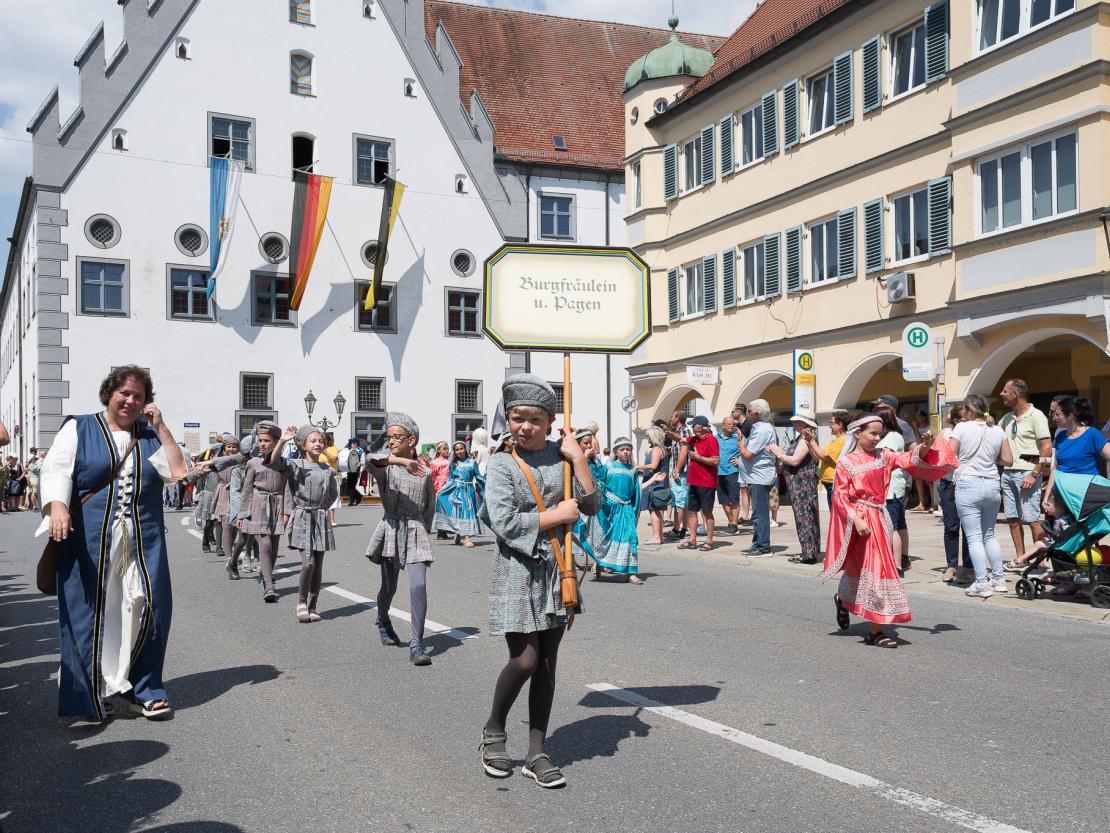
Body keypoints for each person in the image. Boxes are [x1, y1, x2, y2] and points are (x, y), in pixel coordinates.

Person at [38, 365, 188, 720]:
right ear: (109, 393)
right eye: (125, 393)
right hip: (88, 541)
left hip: (143, 541)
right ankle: (93, 689)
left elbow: (179, 471)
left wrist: (162, 426)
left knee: (149, 608)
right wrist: (57, 506)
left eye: (139, 395)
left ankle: (145, 689)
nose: (131, 400)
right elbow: (56, 469)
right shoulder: (81, 427)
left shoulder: (150, 436)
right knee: (92, 611)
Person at [479, 374, 599, 789]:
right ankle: (494, 729)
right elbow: (504, 521)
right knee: (525, 659)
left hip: (558, 570)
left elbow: (592, 505)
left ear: (550, 421)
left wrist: (579, 460)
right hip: (516, 568)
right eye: (517, 418)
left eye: (534, 419)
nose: (524, 427)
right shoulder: (500, 463)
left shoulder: (562, 455)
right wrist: (557, 516)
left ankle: (537, 752)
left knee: (547, 664)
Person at [824, 413, 949, 646]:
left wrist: (925, 447)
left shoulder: (884, 456)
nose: (876, 438)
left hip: (879, 520)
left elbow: (908, 459)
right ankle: (843, 599)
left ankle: (875, 630)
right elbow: (840, 497)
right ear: (857, 433)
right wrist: (856, 519)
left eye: (879, 434)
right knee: (858, 569)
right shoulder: (846, 463)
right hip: (859, 520)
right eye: (872, 433)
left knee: (880, 570)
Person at [364, 413, 437, 665]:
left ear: (412, 440)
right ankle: (383, 619)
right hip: (391, 527)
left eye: (397, 437)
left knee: (418, 585)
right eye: (389, 437)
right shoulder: (387, 469)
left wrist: (423, 530)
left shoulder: (426, 471)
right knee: (389, 587)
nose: (391, 441)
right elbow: (369, 459)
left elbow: (430, 505)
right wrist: (398, 461)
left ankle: (416, 643)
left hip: (415, 529)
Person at [269, 425, 339, 623]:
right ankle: (301, 602)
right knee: (308, 563)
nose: (318, 444)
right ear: (303, 445)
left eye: (321, 441)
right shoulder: (295, 464)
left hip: (320, 517)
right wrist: (282, 440)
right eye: (313, 441)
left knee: (318, 565)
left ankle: (313, 604)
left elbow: (333, 494)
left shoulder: (327, 470)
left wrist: (322, 509)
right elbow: (273, 462)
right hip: (302, 516)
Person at [949, 394, 1013, 598]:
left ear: (968, 410)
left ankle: (981, 582)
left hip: (969, 484)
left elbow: (949, 456)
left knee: (974, 537)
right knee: (989, 535)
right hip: (992, 484)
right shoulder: (998, 430)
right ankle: (999, 580)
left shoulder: (961, 428)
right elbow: (1008, 460)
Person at [235, 422, 293, 603]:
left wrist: (288, 510)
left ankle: (266, 573)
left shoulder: (285, 463)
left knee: (274, 545)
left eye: (267, 441)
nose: (262, 444)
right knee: (265, 545)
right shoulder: (252, 463)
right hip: (259, 505)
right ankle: (269, 586)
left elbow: (288, 488)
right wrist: (243, 513)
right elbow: (247, 489)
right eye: (260, 440)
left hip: (278, 505)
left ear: (276, 442)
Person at [997, 379, 1052, 568]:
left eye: (1005, 391)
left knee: (1032, 518)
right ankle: (1021, 558)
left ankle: (1041, 561)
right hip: (1008, 473)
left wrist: (1034, 474)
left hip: (1028, 473)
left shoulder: (1036, 415)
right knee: (1012, 518)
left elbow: (1046, 448)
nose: (1001, 394)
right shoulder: (1006, 418)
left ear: (1016, 394)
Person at [768, 409, 821, 564]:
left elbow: (795, 460)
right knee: (805, 517)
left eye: (797, 421)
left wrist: (778, 452)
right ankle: (810, 552)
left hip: (802, 484)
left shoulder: (806, 439)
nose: (794, 423)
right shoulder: (803, 438)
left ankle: (808, 554)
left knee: (805, 518)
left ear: (805, 423)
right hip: (799, 483)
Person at [593, 438, 644, 583]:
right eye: (623, 449)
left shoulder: (633, 471)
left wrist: (634, 510)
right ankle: (599, 562)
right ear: (616, 452)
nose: (626, 452)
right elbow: (599, 482)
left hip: (626, 510)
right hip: (610, 508)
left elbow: (636, 492)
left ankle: (631, 573)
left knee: (630, 539)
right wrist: (603, 501)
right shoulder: (608, 466)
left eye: (628, 449)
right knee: (607, 538)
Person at [1044, 395, 1110, 506]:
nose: (1054, 417)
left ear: (1070, 415)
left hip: (1085, 495)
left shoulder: (1092, 434)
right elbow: (1055, 469)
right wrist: (1047, 494)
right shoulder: (1060, 436)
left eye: (1058, 414)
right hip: (1063, 495)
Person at [668, 415, 719, 551]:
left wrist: (699, 457)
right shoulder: (694, 439)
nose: (692, 427)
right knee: (691, 511)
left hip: (707, 482)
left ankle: (709, 541)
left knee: (707, 512)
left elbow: (715, 461)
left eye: (694, 425)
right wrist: (667, 431)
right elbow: (680, 439)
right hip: (693, 481)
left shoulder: (712, 440)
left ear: (701, 427)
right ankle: (692, 540)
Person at [937, 404, 972, 583]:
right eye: (963, 419)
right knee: (951, 526)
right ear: (957, 420)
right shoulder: (945, 433)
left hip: (967, 482)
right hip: (948, 482)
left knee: (969, 526)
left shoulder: (973, 431)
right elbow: (936, 454)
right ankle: (951, 565)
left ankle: (968, 567)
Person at [875, 405, 911, 575]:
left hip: (891, 488)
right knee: (898, 524)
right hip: (887, 487)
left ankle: (896, 564)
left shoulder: (894, 436)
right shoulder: (886, 436)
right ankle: (901, 558)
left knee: (892, 527)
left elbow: (884, 456)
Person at [737, 399, 776, 557]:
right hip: (755, 477)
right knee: (756, 514)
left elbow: (748, 454)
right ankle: (757, 543)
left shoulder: (762, 430)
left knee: (760, 514)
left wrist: (740, 444)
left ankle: (763, 547)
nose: (748, 414)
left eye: (750, 411)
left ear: (757, 414)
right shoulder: (757, 428)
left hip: (760, 477)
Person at [434, 440, 483, 547]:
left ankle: (459, 534)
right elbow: (450, 479)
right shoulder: (453, 464)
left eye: (461, 449)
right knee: (461, 512)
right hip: (457, 491)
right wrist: (442, 490)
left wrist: (486, 486)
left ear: (465, 449)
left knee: (468, 513)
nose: (460, 451)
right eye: (457, 450)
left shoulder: (472, 462)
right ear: (454, 452)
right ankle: (466, 538)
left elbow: (478, 476)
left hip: (469, 491)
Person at [805, 411, 847, 510]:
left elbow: (824, 456)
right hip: (829, 483)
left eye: (831, 423)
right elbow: (817, 457)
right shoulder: (834, 441)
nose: (829, 426)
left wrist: (811, 441)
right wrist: (809, 443)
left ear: (840, 424)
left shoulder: (843, 440)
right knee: (833, 515)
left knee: (836, 515)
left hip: (835, 482)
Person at [638, 425, 670, 545]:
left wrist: (638, 466)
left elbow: (653, 466)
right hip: (660, 482)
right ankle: (659, 536)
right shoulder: (663, 448)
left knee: (654, 511)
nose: (646, 438)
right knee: (657, 511)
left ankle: (656, 537)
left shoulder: (657, 449)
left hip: (654, 484)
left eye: (647, 435)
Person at [716, 417, 742, 535]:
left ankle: (733, 525)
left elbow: (748, 451)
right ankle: (732, 523)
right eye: (729, 424)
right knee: (723, 500)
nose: (731, 426)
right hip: (718, 472)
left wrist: (739, 460)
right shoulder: (716, 438)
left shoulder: (737, 438)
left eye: (733, 424)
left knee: (734, 499)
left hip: (732, 472)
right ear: (723, 426)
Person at [732, 404, 753, 524]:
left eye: (733, 411)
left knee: (749, 489)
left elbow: (750, 444)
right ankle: (745, 516)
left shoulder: (748, 425)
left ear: (739, 412)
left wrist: (741, 458)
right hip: (740, 461)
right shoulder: (737, 426)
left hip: (747, 461)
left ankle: (749, 515)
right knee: (743, 490)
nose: (732, 413)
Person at [910, 409, 934, 512]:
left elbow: (920, 441)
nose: (916, 419)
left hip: (928, 455)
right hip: (918, 455)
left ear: (924, 417)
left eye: (918, 416)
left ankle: (933, 503)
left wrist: (915, 428)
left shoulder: (929, 428)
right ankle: (921, 503)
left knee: (930, 481)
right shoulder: (915, 429)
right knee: (918, 480)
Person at [339, 437, 365, 506]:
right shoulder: (349, 451)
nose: (352, 444)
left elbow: (363, 462)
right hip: (350, 470)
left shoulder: (360, 451)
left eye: (353, 443)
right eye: (351, 443)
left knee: (352, 485)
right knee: (349, 485)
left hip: (356, 470)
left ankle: (352, 500)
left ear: (357, 444)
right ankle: (359, 496)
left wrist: (359, 464)